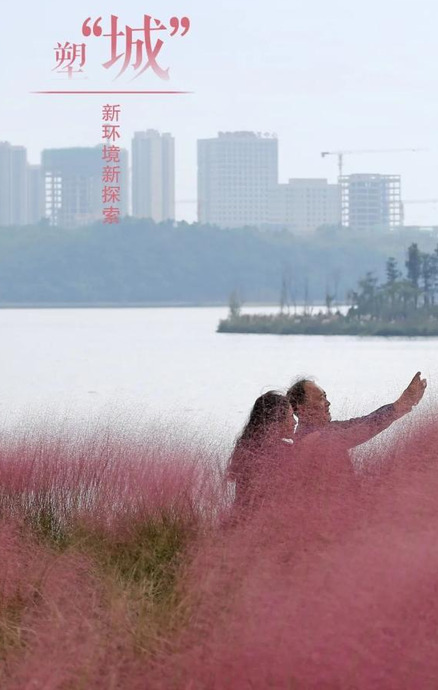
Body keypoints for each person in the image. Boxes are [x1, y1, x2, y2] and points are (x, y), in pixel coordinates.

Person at [286, 372, 427, 451]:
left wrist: (400, 406)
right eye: (321, 398)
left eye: (326, 397)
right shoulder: (310, 438)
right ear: (302, 408)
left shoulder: (326, 428)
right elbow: (355, 434)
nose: (328, 403)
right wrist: (399, 406)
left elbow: (364, 421)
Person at [227, 391, 295, 512]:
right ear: (276, 421)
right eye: (291, 416)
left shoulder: (247, 449)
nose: (294, 422)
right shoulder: (282, 453)